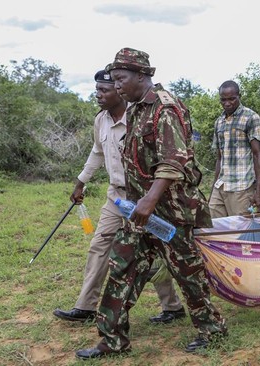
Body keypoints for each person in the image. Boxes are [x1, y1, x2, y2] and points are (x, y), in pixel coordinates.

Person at [75, 48, 226, 359]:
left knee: (188, 273)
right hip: (140, 211)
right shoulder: (135, 110)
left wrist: (149, 200)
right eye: (114, 80)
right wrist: (135, 202)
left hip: (172, 211)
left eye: (120, 79)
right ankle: (112, 340)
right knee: (122, 266)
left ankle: (211, 328)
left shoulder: (165, 109)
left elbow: (174, 161)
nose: (116, 86)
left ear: (141, 76)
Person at [53, 70, 186, 325]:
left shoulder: (139, 116)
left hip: (145, 196)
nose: (98, 95)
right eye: (97, 90)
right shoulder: (100, 120)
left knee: (155, 250)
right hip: (115, 197)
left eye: (104, 90)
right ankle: (85, 306)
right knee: (99, 246)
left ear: (117, 89)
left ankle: (172, 307)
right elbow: (97, 152)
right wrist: (81, 182)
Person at [209, 80, 260, 217]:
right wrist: (213, 188)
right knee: (213, 227)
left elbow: (258, 155)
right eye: (223, 100)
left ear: (239, 96)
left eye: (232, 99)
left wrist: (258, 193)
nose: (227, 103)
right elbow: (219, 158)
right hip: (221, 185)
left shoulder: (251, 117)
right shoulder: (219, 122)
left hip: (242, 187)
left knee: (240, 231)